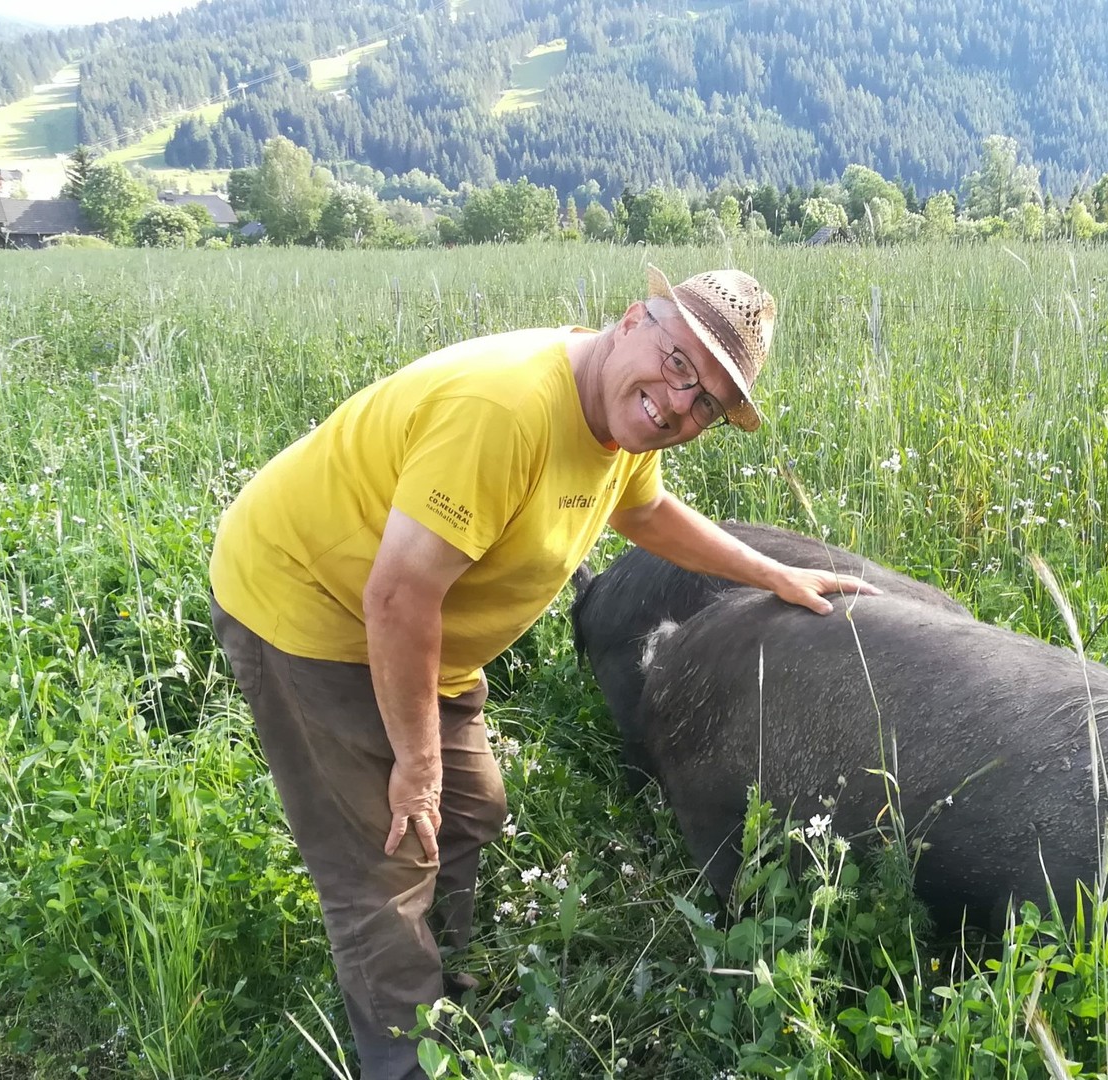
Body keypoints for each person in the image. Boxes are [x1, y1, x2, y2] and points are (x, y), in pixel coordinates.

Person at [206, 266, 876, 1079]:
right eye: (677, 365)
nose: (678, 404)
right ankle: (405, 1056)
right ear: (634, 320)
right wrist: (414, 766)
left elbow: (644, 510)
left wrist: (769, 573)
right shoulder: (509, 412)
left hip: (419, 632)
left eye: (706, 402)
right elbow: (397, 595)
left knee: (471, 809)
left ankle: (437, 981)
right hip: (314, 613)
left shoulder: (614, 421)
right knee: (386, 858)